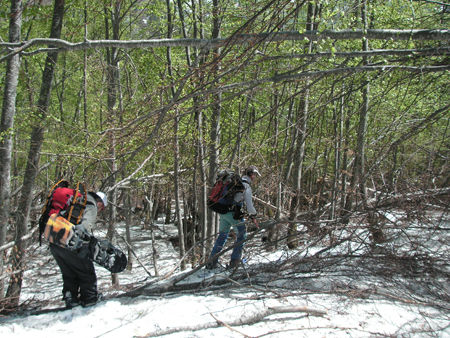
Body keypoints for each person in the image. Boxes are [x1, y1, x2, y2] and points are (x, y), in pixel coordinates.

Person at [50, 191, 107, 308]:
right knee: (86, 271)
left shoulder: (76, 200)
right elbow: (84, 228)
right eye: (102, 207)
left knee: (68, 272)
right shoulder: (91, 205)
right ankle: (90, 300)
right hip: (69, 241)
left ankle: (71, 299)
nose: (100, 210)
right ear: (100, 203)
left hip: (53, 239)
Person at [206, 166, 260, 270]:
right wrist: (254, 215)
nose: (255, 177)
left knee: (222, 236)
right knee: (242, 235)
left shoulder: (234, 182)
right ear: (252, 175)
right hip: (233, 214)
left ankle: (211, 262)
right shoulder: (246, 186)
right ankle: (234, 262)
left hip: (223, 212)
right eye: (255, 175)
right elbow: (250, 206)